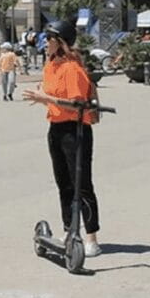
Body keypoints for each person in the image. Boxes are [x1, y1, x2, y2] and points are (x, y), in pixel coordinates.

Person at [22, 20, 102, 257]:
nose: (45, 43)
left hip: (75, 130)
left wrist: (45, 98)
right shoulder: (50, 66)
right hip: (55, 128)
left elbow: (77, 104)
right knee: (64, 184)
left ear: (61, 42)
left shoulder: (72, 69)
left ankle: (91, 238)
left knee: (82, 185)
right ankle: (70, 231)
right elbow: (50, 94)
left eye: (49, 39)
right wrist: (42, 97)